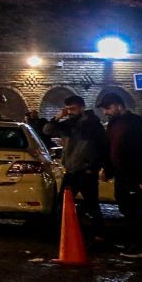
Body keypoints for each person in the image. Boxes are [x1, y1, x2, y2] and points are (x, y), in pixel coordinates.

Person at [99, 94, 142, 232]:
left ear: (119, 106)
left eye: (108, 108)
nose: (105, 112)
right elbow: (109, 147)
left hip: (136, 172)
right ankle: (135, 242)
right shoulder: (112, 124)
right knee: (124, 204)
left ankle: (138, 245)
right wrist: (107, 169)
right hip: (120, 173)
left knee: (133, 208)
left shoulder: (139, 123)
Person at [56, 94, 108, 223]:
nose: (69, 112)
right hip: (71, 171)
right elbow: (47, 130)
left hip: (87, 172)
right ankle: (63, 233)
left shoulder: (92, 124)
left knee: (92, 205)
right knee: (62, 204)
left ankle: (99, 235)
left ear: (82, 108)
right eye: (67, 109)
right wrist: (58, 117)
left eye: (73, 109)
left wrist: (94, 167)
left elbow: (102, 147)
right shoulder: (68, 123)